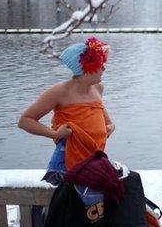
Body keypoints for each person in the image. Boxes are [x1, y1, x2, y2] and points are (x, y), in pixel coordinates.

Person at [18, 36, 114, 179]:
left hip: (95, 161)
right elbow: (25, 121)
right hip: (66, 164)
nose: (104, 68)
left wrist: (110, 126)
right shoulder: (60, 91)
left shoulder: (98, 88)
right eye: (101, 64)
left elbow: (103, 116)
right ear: (87, 68)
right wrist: (55, 134)